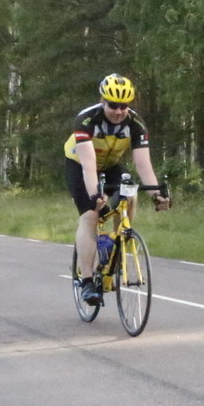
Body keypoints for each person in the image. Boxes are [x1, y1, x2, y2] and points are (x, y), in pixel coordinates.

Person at [65, 73, 169, 306]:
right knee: (90, 215)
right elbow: (89, 165)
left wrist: (156, 194)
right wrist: (96, 195)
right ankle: (87, 281)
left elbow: (143, 164)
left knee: (130, 193)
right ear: (102, 101)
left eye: (124, 106)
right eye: (113, 105)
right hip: (80, 165)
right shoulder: (86, 120)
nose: (119, 111)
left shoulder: (135, 123)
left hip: (111, 165)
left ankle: (118, 242)